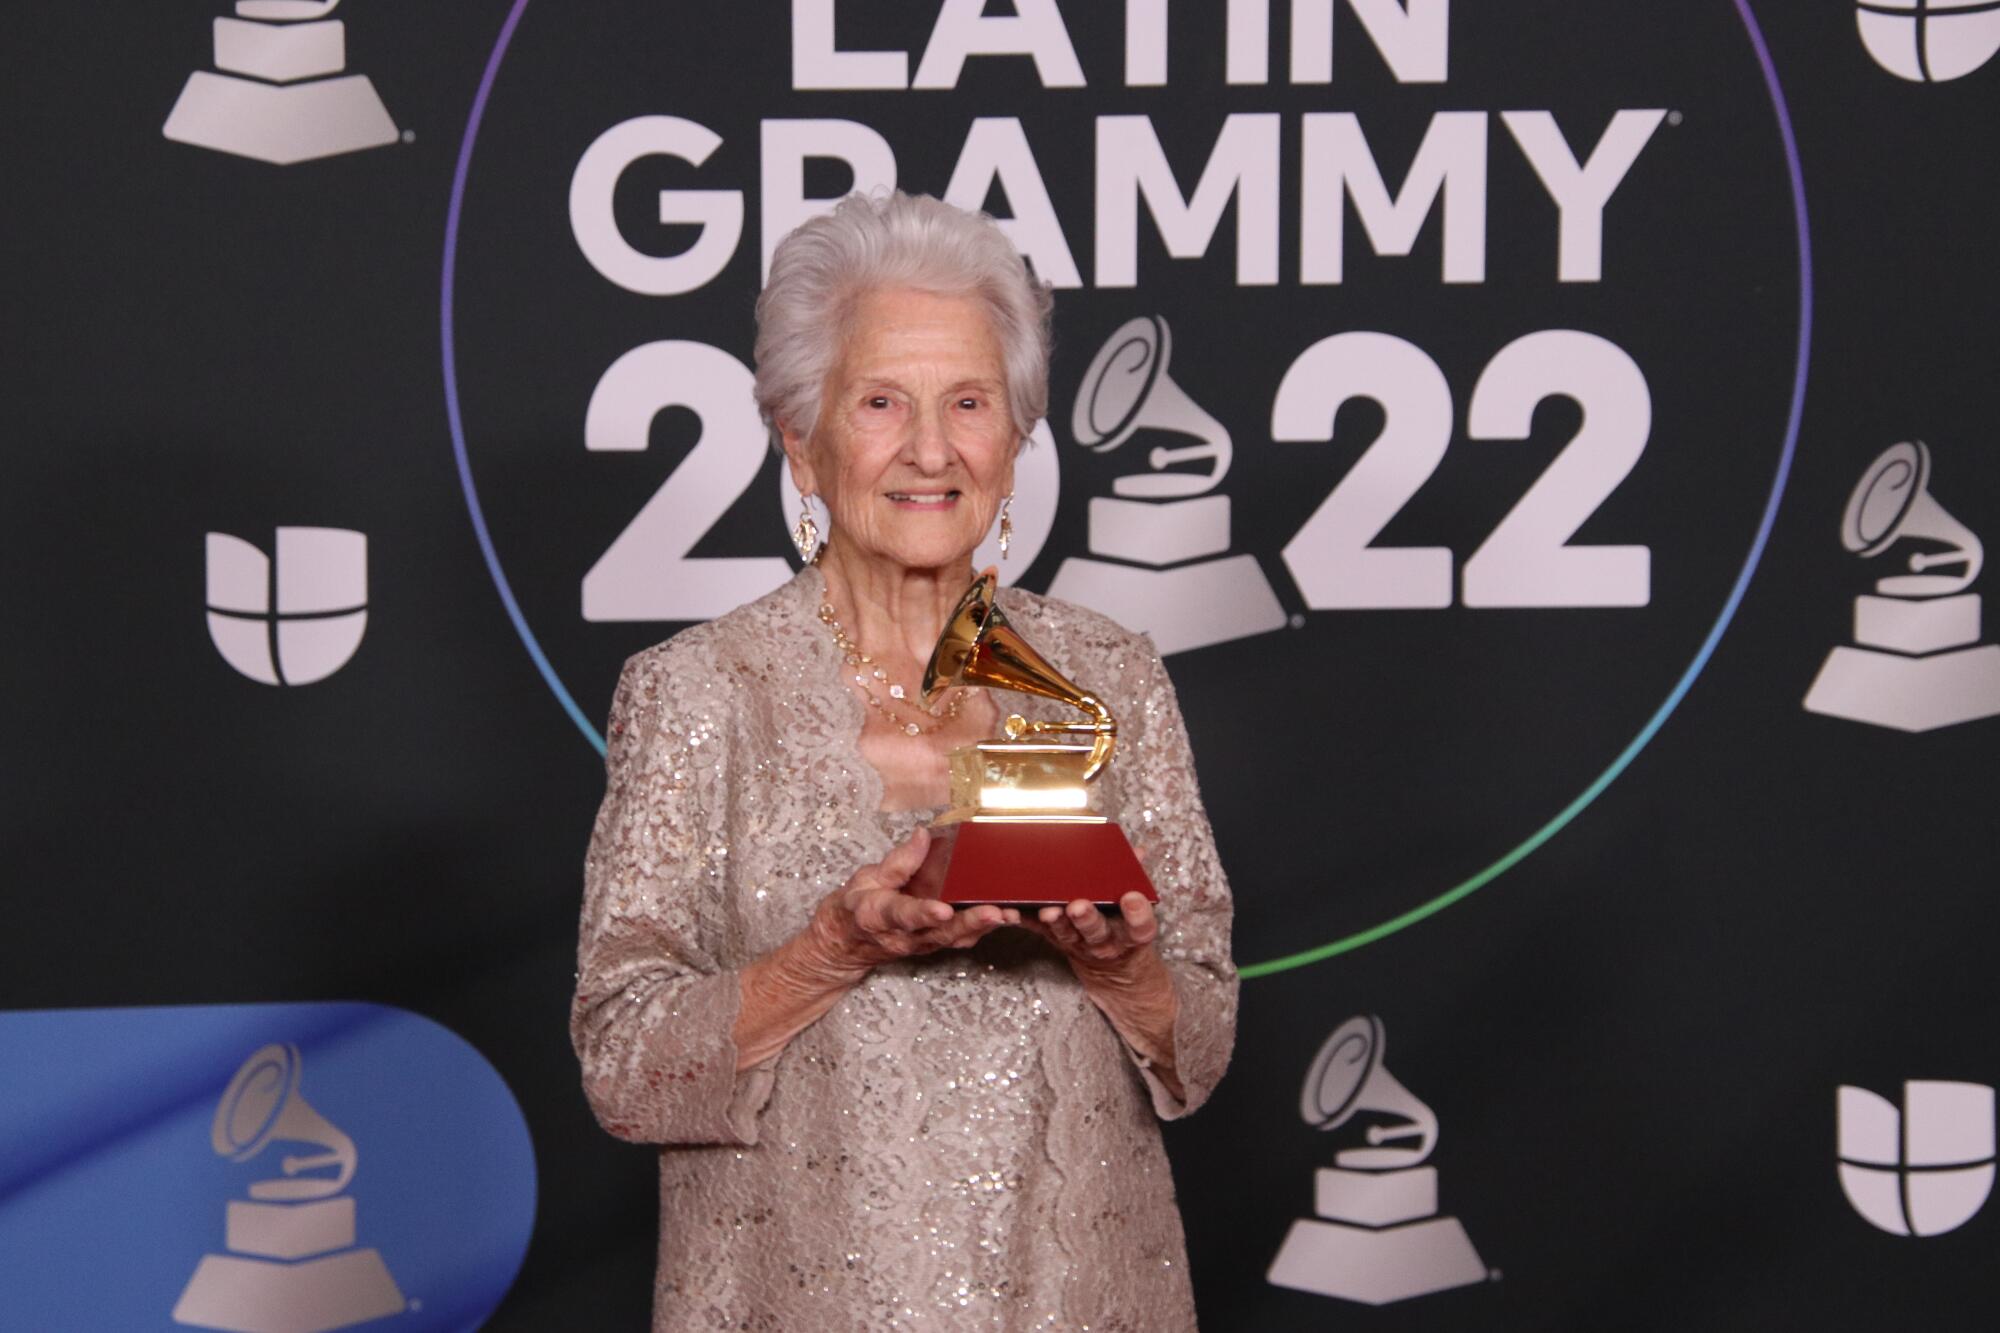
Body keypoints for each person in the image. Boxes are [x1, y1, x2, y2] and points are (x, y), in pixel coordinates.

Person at [571, 191, 1236, 1331]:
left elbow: (1204, 1040)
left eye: (968, 402)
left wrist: (1121, 964)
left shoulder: (1113, 675)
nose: (930, 448)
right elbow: (624, 1066)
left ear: (1015, 440)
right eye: (881, 401)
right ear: (800, 437)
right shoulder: (696, 693)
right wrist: (828, 949)